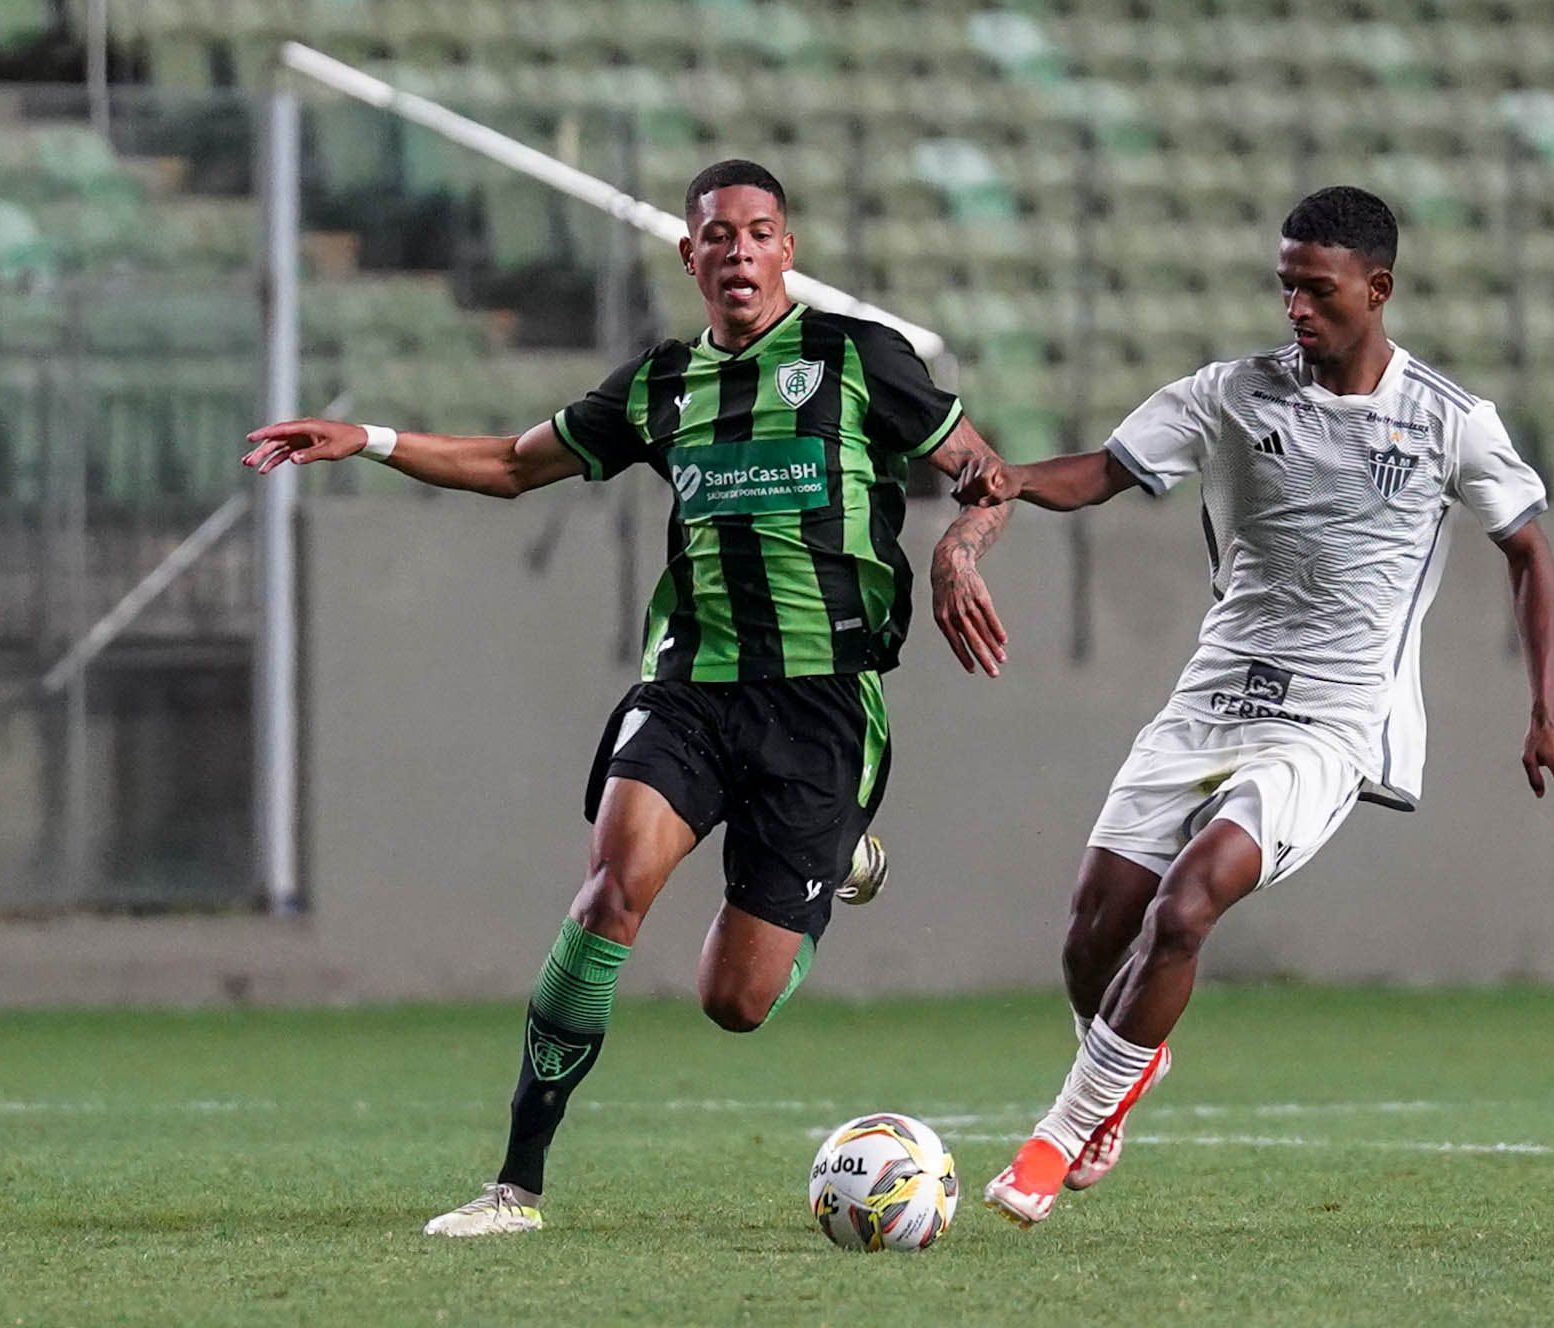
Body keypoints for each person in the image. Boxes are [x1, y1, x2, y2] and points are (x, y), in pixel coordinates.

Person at [241, 159, 1017, 1236]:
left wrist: (960, 554)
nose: (738, 250)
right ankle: (515, 1182)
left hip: (822, 705)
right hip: (689, 684)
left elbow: (988, 473)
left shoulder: (856, 359)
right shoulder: (659, 384)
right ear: (688, 254)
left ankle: (834, 862)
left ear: (786, 249)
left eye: (758, 232)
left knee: (733, 1002)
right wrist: (365, 438)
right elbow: (514, 465)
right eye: (717, 234)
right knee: (613, 886)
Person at [953, 186, 1554, 1228]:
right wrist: (1010, 477)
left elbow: (1530, 551)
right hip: (1210, 698)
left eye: (1316, 287)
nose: (1294, 306)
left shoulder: (1448, 420)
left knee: (1189, 902)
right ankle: (1120, 1069)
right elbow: (1108, 471)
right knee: (1088, 937)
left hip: (1331, 726)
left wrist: (1548, 711)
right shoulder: (1231, 393)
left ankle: (1056, 1137)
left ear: (1376, 288)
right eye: (1283, 284)